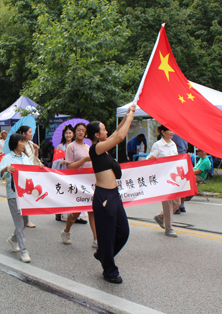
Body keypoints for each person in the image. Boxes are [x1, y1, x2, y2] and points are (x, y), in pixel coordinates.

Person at [86, 104, 135, 284]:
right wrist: (130, 116)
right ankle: (109, 270)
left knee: (123, 232)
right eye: (104, 130)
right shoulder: (95, 149)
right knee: (106, 235)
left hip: (114, 195)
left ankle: (103, 255)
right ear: (96, 135)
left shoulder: (104, 148)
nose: (107, 131)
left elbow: (116, 133)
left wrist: (128, 114)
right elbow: (120, 136)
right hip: (104, 197)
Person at [0, 133, 44, 263]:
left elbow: (32, 173)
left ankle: (13, 240)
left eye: (24, 142)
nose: (24, 144)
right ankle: (24, 251)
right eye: (22, 142)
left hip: (27, 196)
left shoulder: (26, 158)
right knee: (20, 223)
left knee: (23, 222)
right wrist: (5, 169)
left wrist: (39, 168)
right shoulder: (7, 158)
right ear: (15, 143)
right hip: (14, 195)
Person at [60, 123, 98, 248]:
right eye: (78, 130)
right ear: (75, 132)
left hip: (89, 182)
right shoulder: (71, 146)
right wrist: (83, 160)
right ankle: (66, 231)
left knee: (92, 211)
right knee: (76, 212)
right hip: (77, 182)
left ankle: (96, 239)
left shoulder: (88, 146)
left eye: (83, 130)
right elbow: (69, 166)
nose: (81, 132)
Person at [148, 125, 181, 237]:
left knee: (177, 202)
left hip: (174, 177)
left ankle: (160, 217)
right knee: (168, 204)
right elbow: (150, 158)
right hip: (163, 178)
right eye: (169, 130)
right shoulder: (158, 145)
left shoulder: (173, 144)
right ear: (163, 132)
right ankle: (169, 228)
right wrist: (151, 157)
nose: (172, 132)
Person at [17, 125, 41, 228]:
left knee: (29, 195)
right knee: (24, 195)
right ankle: (26, 219)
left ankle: (24, 218)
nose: (32, 134)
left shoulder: (31, 143)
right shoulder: (20, 144)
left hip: (31, 173)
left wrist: (36, 150)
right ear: (24, 134)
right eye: (30, 132)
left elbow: (35, 158)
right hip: (23, 173)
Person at [52, 125, 75, 221]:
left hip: (73, 172)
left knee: (72, 193)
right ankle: (59, 212)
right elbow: (55, 162)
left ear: (73, 134)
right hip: (63, 172)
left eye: (70, 133)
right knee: (62, 192)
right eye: (66, 133)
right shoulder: (60, 146)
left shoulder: (76, 145)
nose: (68, 135)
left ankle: (74, 214)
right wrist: (62, 162)